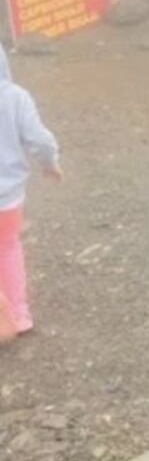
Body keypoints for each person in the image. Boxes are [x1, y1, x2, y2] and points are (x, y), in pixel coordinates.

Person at [0, 46, 61, 341]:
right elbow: (40, 140)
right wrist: (50, 164)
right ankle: (18, 313)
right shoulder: (16, 97)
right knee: (8, 247)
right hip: (8, 199)